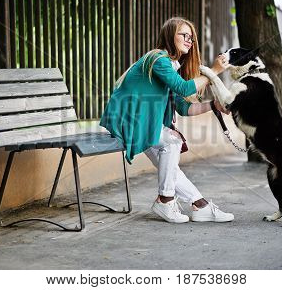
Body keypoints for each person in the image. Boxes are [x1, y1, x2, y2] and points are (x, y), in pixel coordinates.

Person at [100, 17, 233, 224]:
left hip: (141, 124)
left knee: (171, 164)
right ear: (170, 35)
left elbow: (183, 107)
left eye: (191, 38)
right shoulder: (158, 59)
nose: (189, 40)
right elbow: (184, 88)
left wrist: (214, 106)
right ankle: (165, 200)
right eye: (184, 35)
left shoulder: (171, 67)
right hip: (128, 122)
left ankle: (200, 205)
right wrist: (214, 71)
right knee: (172, 142)